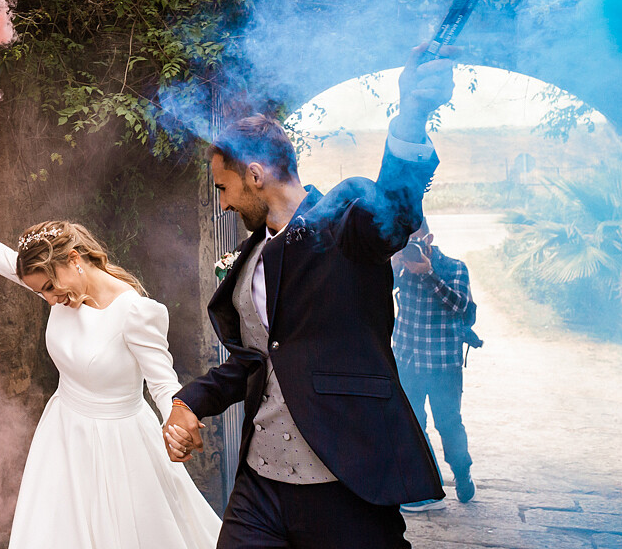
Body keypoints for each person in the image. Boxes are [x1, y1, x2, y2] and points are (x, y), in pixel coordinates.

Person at [162, 44, 456, 549]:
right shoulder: (250, 255)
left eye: (224, 188)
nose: (223, 203)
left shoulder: (344, 223)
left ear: (255, 175)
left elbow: (395, 212)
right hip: (259, 486)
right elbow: (260, 357)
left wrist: (411, 116)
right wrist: (191, 401)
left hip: (347, 480)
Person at [0, 207, 223, 549]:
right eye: (42, 291)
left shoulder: (136, 312)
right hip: (62, 434)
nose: (49, 299)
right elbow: (1, 259)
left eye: (50, 288)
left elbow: (162, 383)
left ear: (74, 259)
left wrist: (176, 421)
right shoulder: (58, 288)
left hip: (119, 445)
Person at [392, 221, 476, 509]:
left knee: (448, 425)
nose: (411, 248)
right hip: (407, 360)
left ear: (428, 239)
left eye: (414, 242)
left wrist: (428, 274)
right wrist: (392, 265)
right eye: (404, 242)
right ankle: (430, 486)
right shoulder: (399, 267)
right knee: (412, 426)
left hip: (443, 364)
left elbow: (459, 306)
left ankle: (462, 472)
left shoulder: (455, 267)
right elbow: (370, 295)